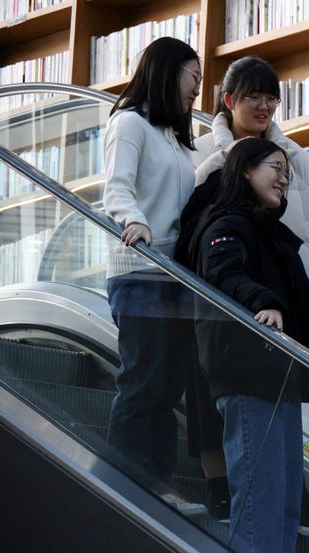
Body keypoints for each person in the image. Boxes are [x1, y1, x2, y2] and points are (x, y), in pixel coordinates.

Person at [186, 56, 309, 531]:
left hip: (286, 302)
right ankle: (223, 492)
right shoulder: (198, 154)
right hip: (223, 296)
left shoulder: (295, 159)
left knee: (282, 407)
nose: (264, 106)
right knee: (214, 398)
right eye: (253, 96)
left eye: (272, 98)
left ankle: (285, 497)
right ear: (228, 100)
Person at [182, 137, 309, 553]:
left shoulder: (268, 231)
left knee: (282, 502)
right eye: (274, 167)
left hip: (278, 373)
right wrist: (264, 300)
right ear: (244, 169)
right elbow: (222, 273)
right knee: (260, 497)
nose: (284, 177)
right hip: (248, 372)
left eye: (287, 171)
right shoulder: (226, 223)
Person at [102, 37, 203, 513]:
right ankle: (123, 483)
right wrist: (132, 219)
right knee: (143, 381)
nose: (197, 92)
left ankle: (158, 483)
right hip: (140, 271)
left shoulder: (177, 140)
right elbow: (117, 187)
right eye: (194, 79)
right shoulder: (129, 124)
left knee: (168, 387)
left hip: (175, 279)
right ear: (167, 72)